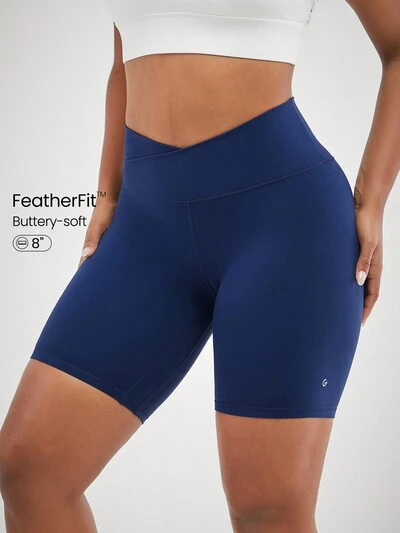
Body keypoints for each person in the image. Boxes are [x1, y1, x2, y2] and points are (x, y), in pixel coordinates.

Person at [0, 1, 399, 532]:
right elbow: (125, 60)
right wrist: (107, 194)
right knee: (29, 469)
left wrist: (372, 198)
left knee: (266, 507)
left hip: (284, 227)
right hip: (145, 232)